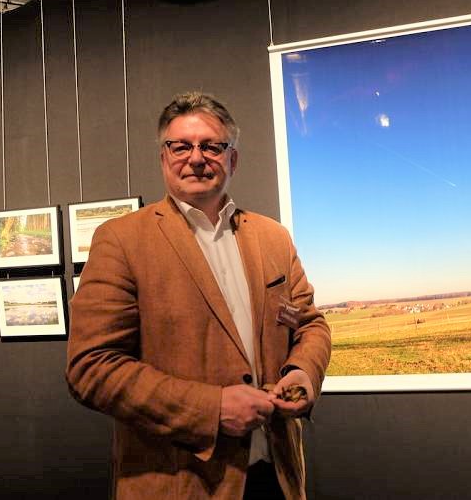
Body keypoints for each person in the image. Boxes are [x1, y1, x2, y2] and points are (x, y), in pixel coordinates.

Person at [66, 92, 331, 500]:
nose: (196, 157)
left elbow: (310, 324)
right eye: (181, 146)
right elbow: (91, 368)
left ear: (232, 159)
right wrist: (212, 409)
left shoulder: (273, 237)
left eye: (211, 146)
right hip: (182, 482)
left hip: (276, 473)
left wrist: (302, 373)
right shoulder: (121, 240)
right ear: (163, 157)